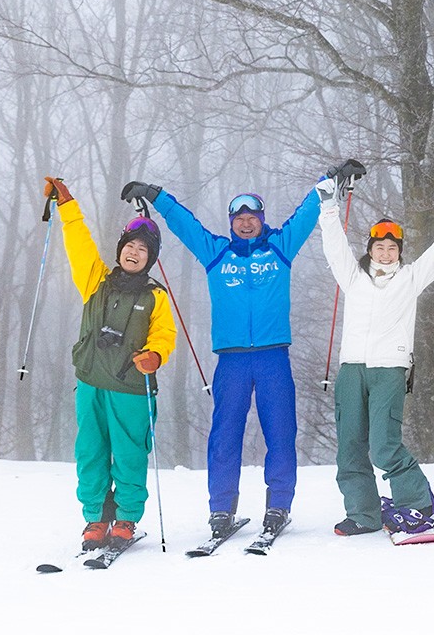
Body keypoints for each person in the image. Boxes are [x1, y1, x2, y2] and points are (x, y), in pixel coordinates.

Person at [120, 160, 359, 539]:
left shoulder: (280, 247)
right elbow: (185, 224)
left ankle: (278, 505)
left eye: (252, 216)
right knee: (224, 435)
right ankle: (220, 510)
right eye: (239, 217)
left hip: (272, 358)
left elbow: (306, 212)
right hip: (230, 361)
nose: (246, 223)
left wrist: (330, 179)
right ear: (231, 222)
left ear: (262, 219)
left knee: (280, 433)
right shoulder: (217, 254)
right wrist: (154, 195)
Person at [316, 174, 434, 537]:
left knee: (384, 445)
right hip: (352, 369)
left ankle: (417, 502)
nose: (385, 253)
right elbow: (334, 245)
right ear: (370, 249)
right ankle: (363, 514)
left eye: (392, 247)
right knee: (350, 447)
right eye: (379, 246)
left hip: (389, 369)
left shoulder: (410, 278)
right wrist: (328, 205)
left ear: (400, 251)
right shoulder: (352, 278)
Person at [46, 176, 177, 550]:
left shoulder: (156, 297)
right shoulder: (96, 281)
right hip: (90, 383)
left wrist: (154, 356)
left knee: (130, 454)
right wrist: (66, 204)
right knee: (90, 452)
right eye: (129, 246)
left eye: (143, 249)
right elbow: (78, 243)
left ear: (150, 258)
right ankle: (95, 519)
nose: (134, 253)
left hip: (132, 390)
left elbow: (164, 336)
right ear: (120, 249)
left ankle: (125, 518)